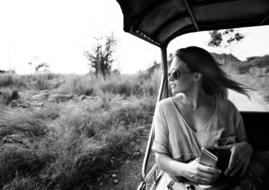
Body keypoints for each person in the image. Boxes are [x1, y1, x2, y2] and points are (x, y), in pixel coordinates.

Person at [152, 46, 267, 190]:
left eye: (175, 74)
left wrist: (246, 147)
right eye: (169, 73)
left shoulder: (227, 108)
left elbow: (244, 144)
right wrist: (185, 170)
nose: (169, 79)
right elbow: (160, 157)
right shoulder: (165, 108)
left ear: (196, 76)